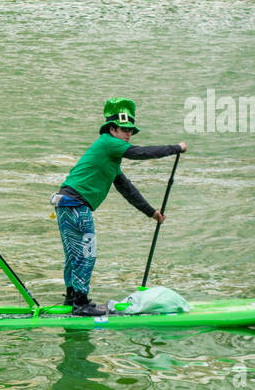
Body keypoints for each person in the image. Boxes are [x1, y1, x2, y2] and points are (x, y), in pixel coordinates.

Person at [51, 99, 186, 316]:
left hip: (65, 203)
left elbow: (127, 190)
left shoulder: (110, 157)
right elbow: (140, 153)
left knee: (74, 255)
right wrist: (176, 148)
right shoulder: (107, 142)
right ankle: (81, 304)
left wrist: (152, 213)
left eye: (131, 130)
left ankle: (72, 299)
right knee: (87, 254)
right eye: (124, 130)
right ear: (112, 129)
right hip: (76, 204)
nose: (128, 134)